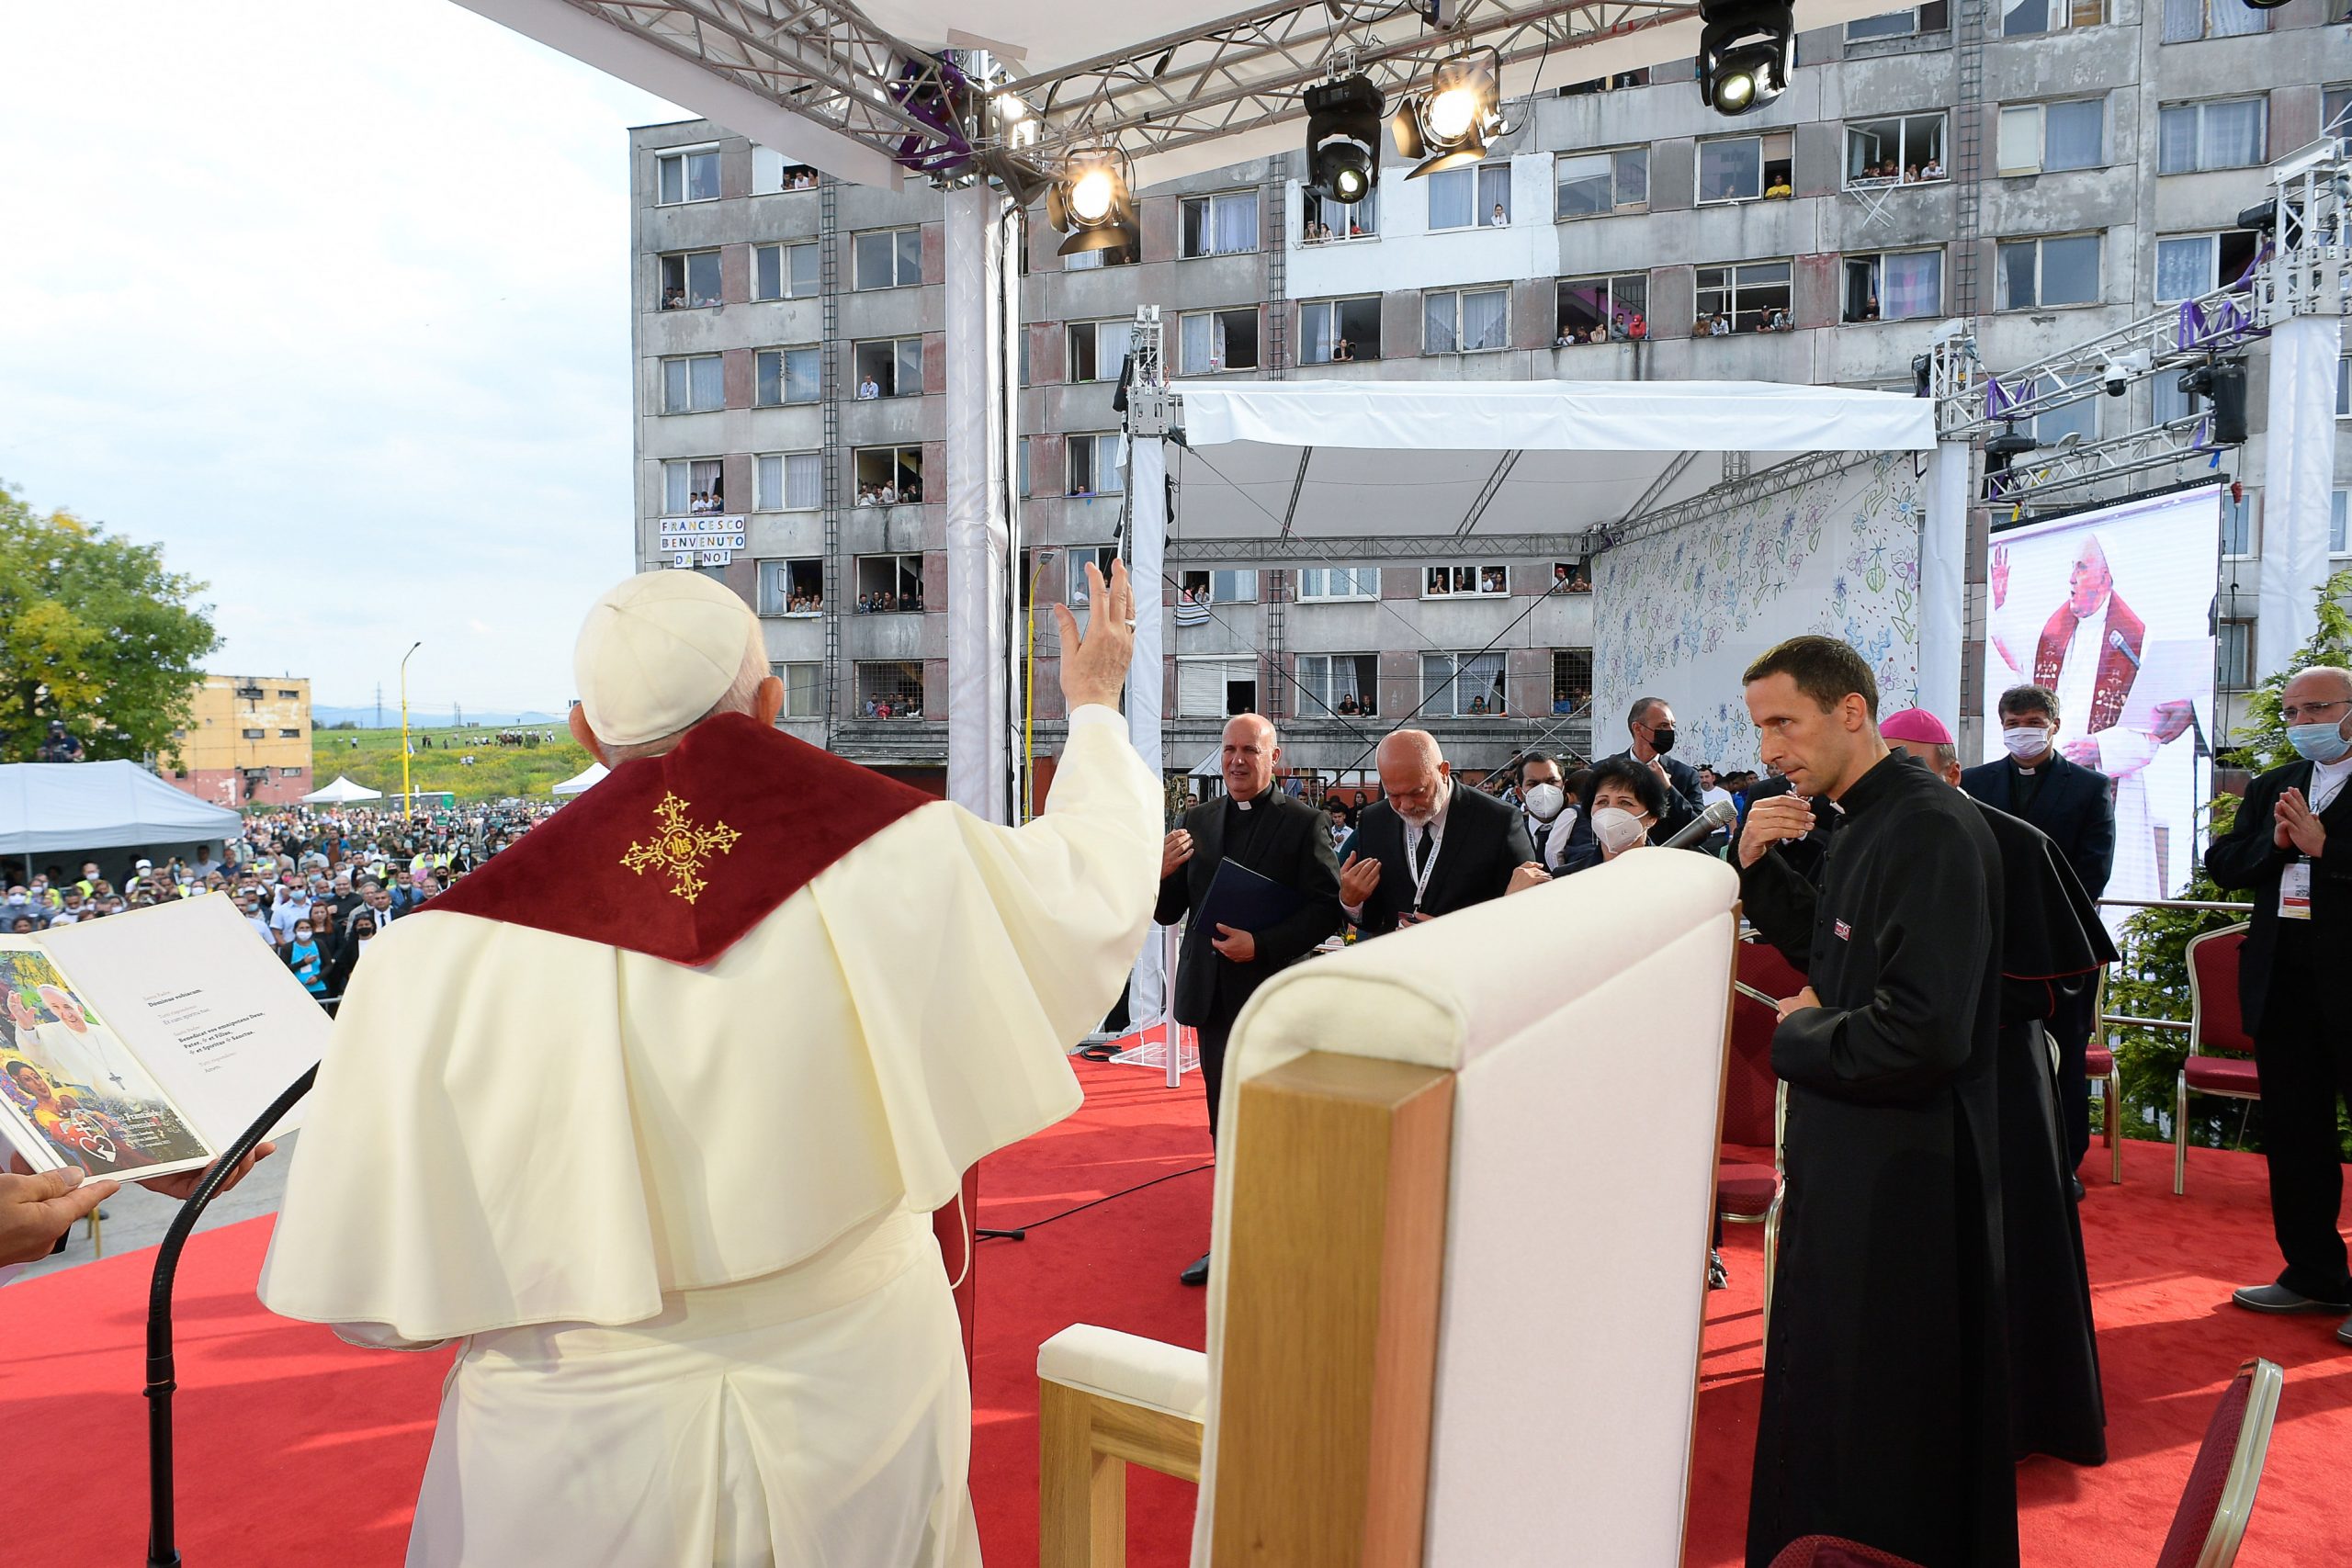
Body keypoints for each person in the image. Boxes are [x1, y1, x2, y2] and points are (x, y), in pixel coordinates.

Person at [260, 562, 1159, 1568]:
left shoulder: (432, 956)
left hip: (572, 1441)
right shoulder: (913, 851)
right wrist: (1093, 706)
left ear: (584, 733)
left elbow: (380, 1310)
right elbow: (1092, 885)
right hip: (859, 1392)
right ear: (770, 704)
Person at [1734, 637, 2014, 1568]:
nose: (1769, 749)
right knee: (1834, 1403)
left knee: (1879, 1422)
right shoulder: (1861, 818)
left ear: (1850, 710)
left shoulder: (1927, 828)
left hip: (1902, 1178)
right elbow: (1837, 954)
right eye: (1760, 728)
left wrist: (1797, 1033)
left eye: (1784, 722)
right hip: (1857, 1155)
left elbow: (1923, 1031)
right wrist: (1755, 865)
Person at [1883, 708, 2111, 1466]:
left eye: (1912, 763)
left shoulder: (2013, 842)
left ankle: (2020, 1409)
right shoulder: (1871, 837)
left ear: (1951, 770)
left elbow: (2057, 980)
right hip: (1904, 1084)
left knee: (2010, 1242)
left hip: (1997, 1077)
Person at [1156, 715, 1343, 1285]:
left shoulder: (1305, 823)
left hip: (1270, 996)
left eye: (1250, 751)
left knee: (1278, 1119)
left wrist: (1260, 944)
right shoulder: (1196, 820)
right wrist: (1159, 872)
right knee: (1225, 1119)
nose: (1237, 760)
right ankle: (1232, 1241)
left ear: (1274, 758)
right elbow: (1168, 912)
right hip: (1213, 999)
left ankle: (1288, 1233)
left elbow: (1326, 909)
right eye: (1229, 749)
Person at [2204, 665, 2352, 1337]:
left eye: (2314, 709)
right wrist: (2277, 843)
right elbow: (2224, 863)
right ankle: (2314, 1275)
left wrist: (2328, 849)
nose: (2301, 724)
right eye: (2291, 712)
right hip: (2285, 987)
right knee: (2296, 1137)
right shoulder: (2275, 784)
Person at [1961, 682, 2116, 1190]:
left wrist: (2036, 915)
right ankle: (1993, 1158)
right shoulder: (1975, 782)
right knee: (1990, 1052)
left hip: (2062, 946)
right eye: (2012, 724)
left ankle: (2062, 1165)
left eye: (2032, 723)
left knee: (2065, 1055)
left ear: (2054, 726)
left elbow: (2094, 870)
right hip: (1992, 945)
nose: (2022, 732)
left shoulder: (2090, 787)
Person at [1988, 534, 2196, 908]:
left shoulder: (2135, 638)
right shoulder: (2056, 633)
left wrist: (2099, 748)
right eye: (2072, 568)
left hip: (2112, 788)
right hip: (2049, 779)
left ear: (2106, 577)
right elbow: (2018, 656)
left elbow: (2151, 733)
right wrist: (2001, 603)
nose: (2072, 577)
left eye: (2081, 568)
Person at [1339, 730, 1539, 935]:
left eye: (1418, 792)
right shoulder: (1374, 820)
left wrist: (1454, 934)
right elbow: (1373, 919)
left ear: (1444, 772)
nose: (1406, 806)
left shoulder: (1498, 820)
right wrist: (1351, 901)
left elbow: (1527, 912)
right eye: (1394, 795)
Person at [1559, 696, 1706, 864]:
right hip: (1609, 865)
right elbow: (1585, 826)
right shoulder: (1601, 771)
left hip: (1667, 867)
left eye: (1672, 726)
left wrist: (1668, 789)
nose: (1670, 731)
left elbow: (1699, 833)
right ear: (1637, 728)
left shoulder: (1685, 775)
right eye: (1662, 726)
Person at [1516, 752, 1578, 873]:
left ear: (1565, 787)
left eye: (1552, 782)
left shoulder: (1586, 830)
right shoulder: (1513, 837)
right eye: (1533, 784)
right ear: (1519, 793)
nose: (1544, 790)